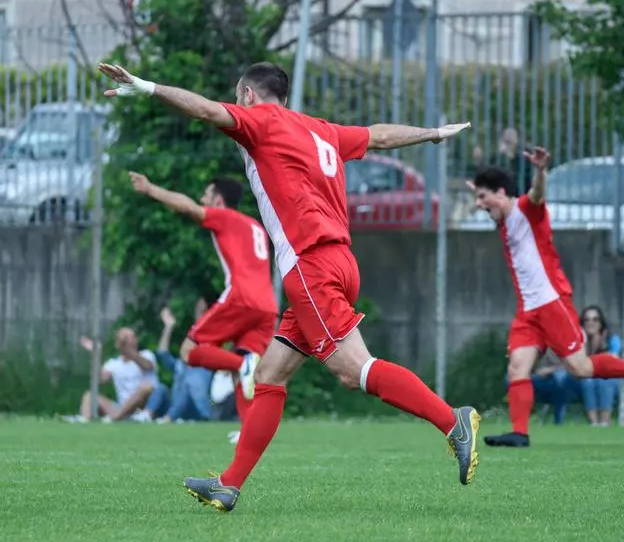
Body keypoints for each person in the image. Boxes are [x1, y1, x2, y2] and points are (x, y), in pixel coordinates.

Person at [98, 60, 479, 513]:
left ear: (247, 94)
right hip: (338, 260)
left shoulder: (259, 122)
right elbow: (377, 136)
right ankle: (229, 484)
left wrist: (146, 86)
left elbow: (201, 110)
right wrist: (433, 132)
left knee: (352, 370)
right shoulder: (320, 129)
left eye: (238, 97)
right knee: (269, 375)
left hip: (310, 266)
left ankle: (451, 420)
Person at [468, 151, 624, 449]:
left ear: (502, 193)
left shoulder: (524, 209)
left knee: (580, 368)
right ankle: (520, 433)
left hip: (551, 303)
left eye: (482, 197)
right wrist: (480, 189)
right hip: (527, 311)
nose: (478, 204)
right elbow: (496, 200)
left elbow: (537, 194)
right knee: (518, 367)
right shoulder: (505, 220)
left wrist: (541, 171)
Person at [128, 172, 276, 419]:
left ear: (218, 200)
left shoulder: (225, 217)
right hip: (267, 306)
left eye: (206, 194)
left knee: (189, 351)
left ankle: (243, 364)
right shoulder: (255, 226)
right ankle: (248, 430)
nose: (201, 199)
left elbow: (187, 207)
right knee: (241, 372)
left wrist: (150, 189)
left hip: (241, 298)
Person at [67, 328, 163, 422]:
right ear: (117, 344)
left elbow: (148, 366)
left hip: (143, 408)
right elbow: (100, 379)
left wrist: (128, 351)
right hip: (122, 407)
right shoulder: (114, 363)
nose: (127, 341)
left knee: (146, 387)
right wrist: (96, 354)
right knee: (89, 396)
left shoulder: (146, 355)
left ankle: (116, 418)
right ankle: (84, 420)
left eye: (130, 337)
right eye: (124, 338)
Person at [154, 305, 214, 423]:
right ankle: (147, 414)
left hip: (196, 409)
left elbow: (204, 336)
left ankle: (169, 418)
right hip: (174, 406)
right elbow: (162, 353)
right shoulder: (179, 365)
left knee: (189, 383)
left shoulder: (206, 366)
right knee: (161, 388)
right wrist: (168, 326)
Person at [579, 305, 622, 427]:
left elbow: (614, 358)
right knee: (588, 381)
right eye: (586, 320)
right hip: (587, 378)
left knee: (604, 380)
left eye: (595, 319)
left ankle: (604, 422)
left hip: (611, 378)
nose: (590, 323)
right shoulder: (580, 340)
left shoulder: (612, 339)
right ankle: (594, 422)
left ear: (601, 322)